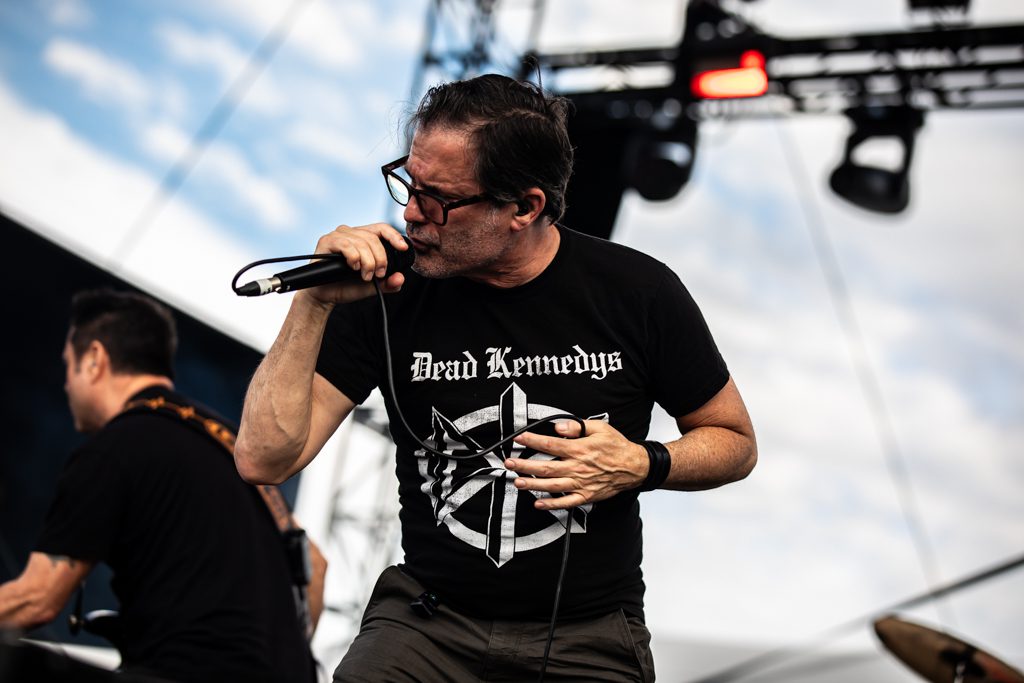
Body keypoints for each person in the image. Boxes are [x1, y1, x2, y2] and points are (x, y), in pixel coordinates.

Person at [234, 73, 757, 682]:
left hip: (586, 635)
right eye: (409, 183)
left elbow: (735, 442)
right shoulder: (386, 293)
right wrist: (315, 301)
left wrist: (643, 463)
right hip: (426, 623)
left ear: (524, 208)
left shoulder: (638, 292)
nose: (410, 214)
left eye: (440, 199)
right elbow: (262, 459)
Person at [0, 289, 324, 683]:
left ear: (95, 359)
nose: (66, 385)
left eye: (69, 366)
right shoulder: (228, 441)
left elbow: (36, 599)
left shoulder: (114, 446)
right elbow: (316, 564)